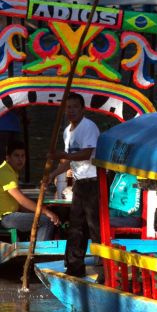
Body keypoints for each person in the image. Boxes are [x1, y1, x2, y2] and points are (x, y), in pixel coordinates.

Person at [49, 93, 100, 278]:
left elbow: (86, 154)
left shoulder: (89, 127)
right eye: (68, 107)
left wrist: (61, 155)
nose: (71, 111)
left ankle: (104, 269)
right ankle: (74, 267)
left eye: (74, 107)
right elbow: (69, 161)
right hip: (79, 183)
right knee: (76, 227)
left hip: (94, 182)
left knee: (95, 227)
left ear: (82, 109)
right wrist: (53, 174)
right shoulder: (67, 132)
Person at [0, 141, 59, 240]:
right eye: (16, 156)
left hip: (7, 216)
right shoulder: (5, 172)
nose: (20, 160)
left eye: (23, 156)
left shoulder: (10, 171)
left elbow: (20, 205)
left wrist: (41, 210)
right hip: (2, 219)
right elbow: (22, 200)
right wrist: (45, 211)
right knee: (46, 220)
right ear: (8, 157)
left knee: (42, 216)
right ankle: (40, 254)